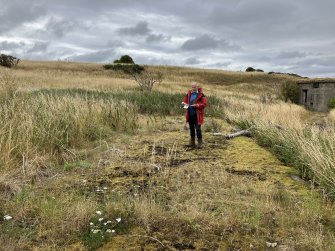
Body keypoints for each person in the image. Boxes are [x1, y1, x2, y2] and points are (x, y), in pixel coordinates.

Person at [183, 82, 207, 148]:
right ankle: (192, 142)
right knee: (191, 128)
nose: (193, 88)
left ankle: (200, 143)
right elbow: (185, 101)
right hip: (190, 114)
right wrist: (184, 104)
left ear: (197, 87)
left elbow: (204, 104)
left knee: (198, 129)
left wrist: (197, 105)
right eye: (192, 87)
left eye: (194, 87)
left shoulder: (201, 95)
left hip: (198, 115)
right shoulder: (188, 94)